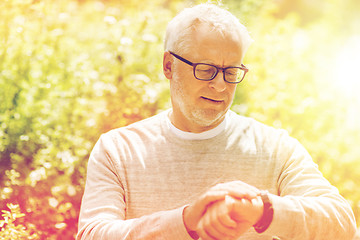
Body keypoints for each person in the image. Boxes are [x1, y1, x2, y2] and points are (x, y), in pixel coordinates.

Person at [77, 3, 357, 240]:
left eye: (231, 71)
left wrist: (263, 211)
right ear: (168, 66)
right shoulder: (118, 149)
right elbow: (93, 233)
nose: (221, 86)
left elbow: (343, 224)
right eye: (207, 70)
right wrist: (186, 221)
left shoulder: (276, 148)